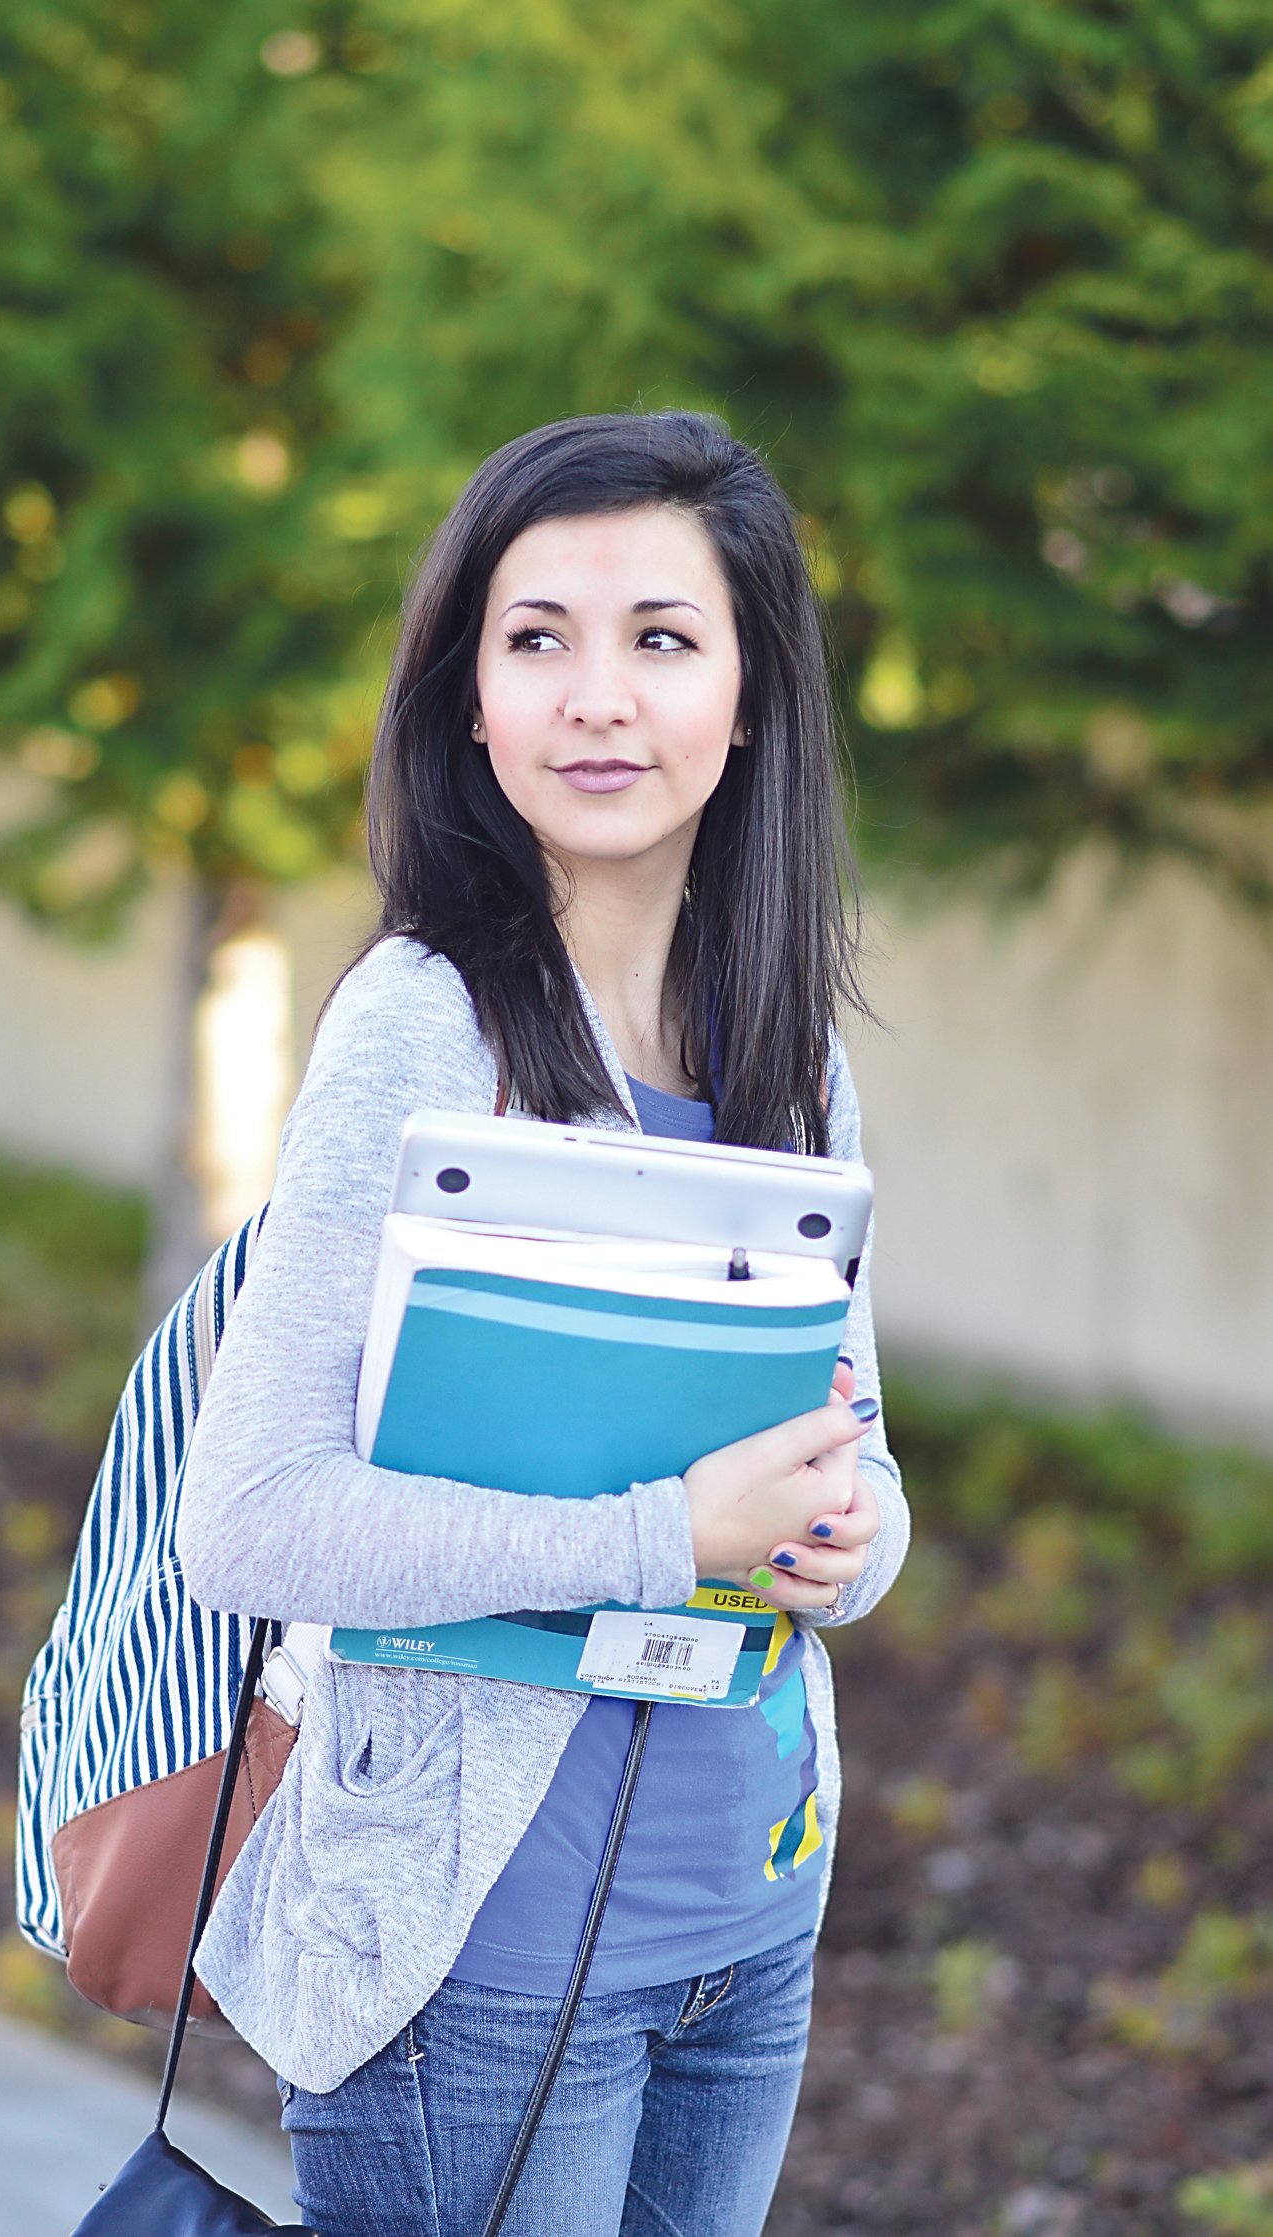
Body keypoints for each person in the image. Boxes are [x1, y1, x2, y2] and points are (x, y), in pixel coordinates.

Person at [178, 410, 908, 2237]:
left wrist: (850, 1536)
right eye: (537, 639)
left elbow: (858, 1449)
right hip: (477, 1967)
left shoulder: (786, 1045)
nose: (598, 697)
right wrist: (666, 1535)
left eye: (661, 637)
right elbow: (249, 1517)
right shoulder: (425, 1026)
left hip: (749, 1925)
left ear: (749, 697)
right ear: (473, 703)